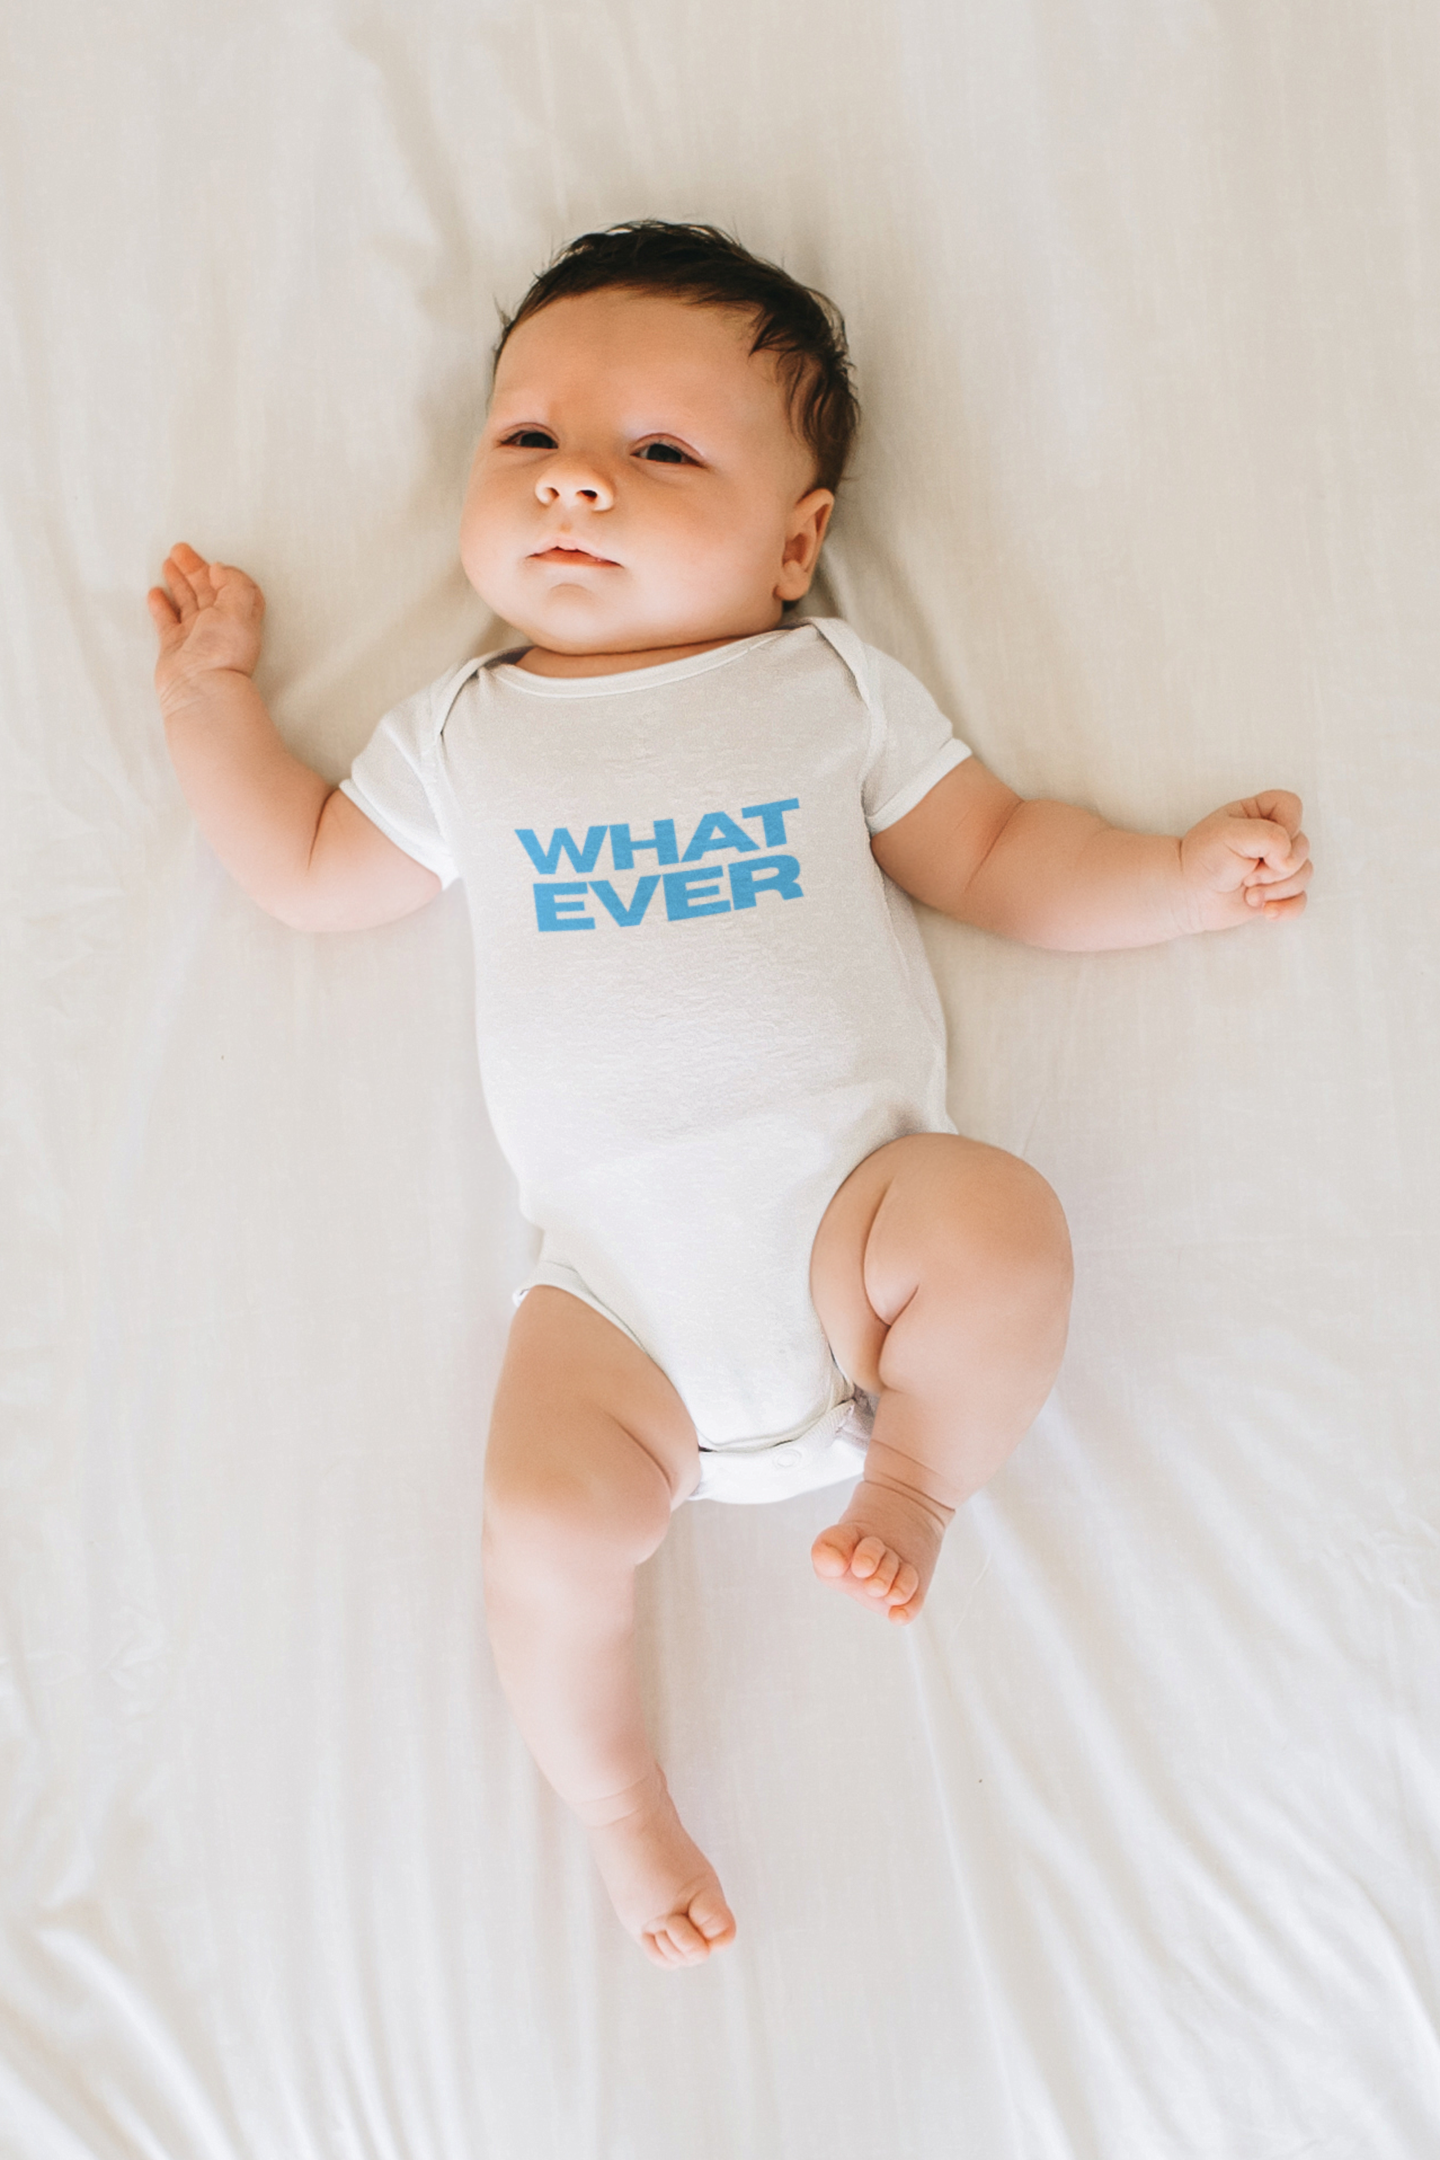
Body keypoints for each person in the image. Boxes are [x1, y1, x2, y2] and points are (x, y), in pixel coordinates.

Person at [147, 221, 1312, 1971]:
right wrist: (209, 703)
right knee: (542, 1524)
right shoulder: (465, 736)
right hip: (615, 1303)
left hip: (856, 1233)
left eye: (659, 452)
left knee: (998, 1221)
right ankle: (618, 1804)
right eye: (530, 438)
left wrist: (1173, 879)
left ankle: (914, 1481)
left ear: (796, 544)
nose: (577, 483)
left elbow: (997, 853)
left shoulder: (822, 689)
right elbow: (312, 866)